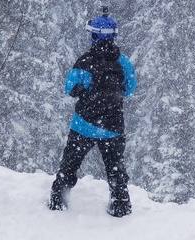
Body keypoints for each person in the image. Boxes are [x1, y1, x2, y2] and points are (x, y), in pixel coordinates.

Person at [48, 8, 137, 218]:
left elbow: (70, 87)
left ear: (94, 35)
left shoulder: (85, 61)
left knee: (69, 165)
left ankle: (57, 202)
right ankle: (120, 208)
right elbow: (130, 88)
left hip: (83, 125)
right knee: (116, 170)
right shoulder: (123, 62)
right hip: (112, 128)